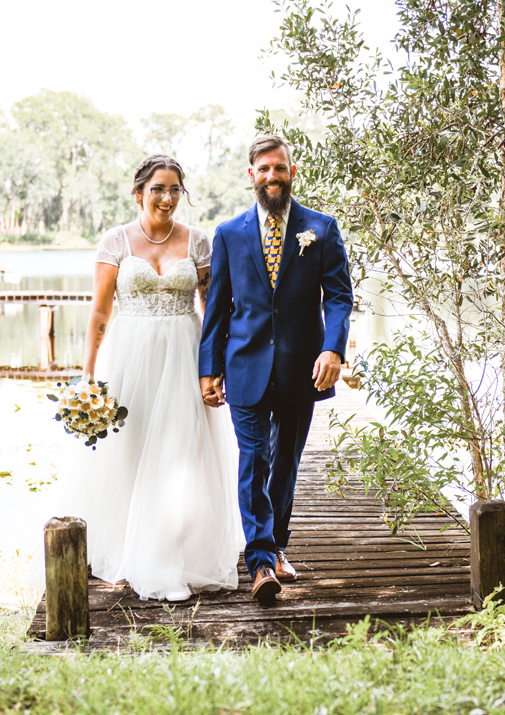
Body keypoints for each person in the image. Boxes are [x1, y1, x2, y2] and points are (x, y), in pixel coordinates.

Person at [41, 154, 245, 602]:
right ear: (139, 194)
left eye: (175, 189)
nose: (167, 198)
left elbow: (212, 311)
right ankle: (126, 548)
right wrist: (88, 373)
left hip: (183, 354)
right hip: (129, 355)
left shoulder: (198, 243)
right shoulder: (116, 242)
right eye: (158, 189)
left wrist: (214, 370)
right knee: (127, 451)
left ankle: (172, 553)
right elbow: (100, 310)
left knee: (180, 452)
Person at [199, 135, 353, 605]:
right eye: (263, 169)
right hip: (243, 364)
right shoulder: (229, 233)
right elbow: (218, 307)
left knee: (285, 460)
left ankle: (277, 541)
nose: (271, 176)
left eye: (279, 169)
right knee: (254, 460)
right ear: (251, 174)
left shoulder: (321, 229)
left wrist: (334, 351)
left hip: (302, 367)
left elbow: (341, 297)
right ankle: (261, 561)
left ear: (291, 172)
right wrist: (209, 366)